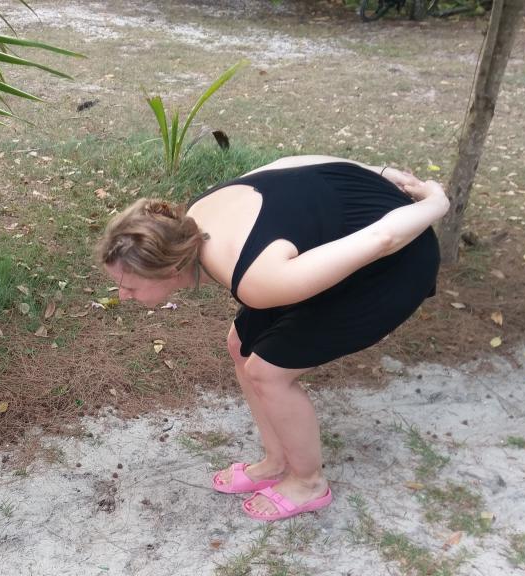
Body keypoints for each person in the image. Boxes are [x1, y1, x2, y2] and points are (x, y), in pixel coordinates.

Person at [96, 155, 449, 522]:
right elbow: (288, 162)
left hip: (397, 262)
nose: (122, 295)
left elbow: (383, 239)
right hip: (347, 231)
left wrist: (436, 203)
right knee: (240, 345)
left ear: (170, 269)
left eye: (128, 285)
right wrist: (382, 172)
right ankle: (276, 461)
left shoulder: (258, 280)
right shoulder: (193, 219)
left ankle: (309, 482)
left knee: (269, 372)